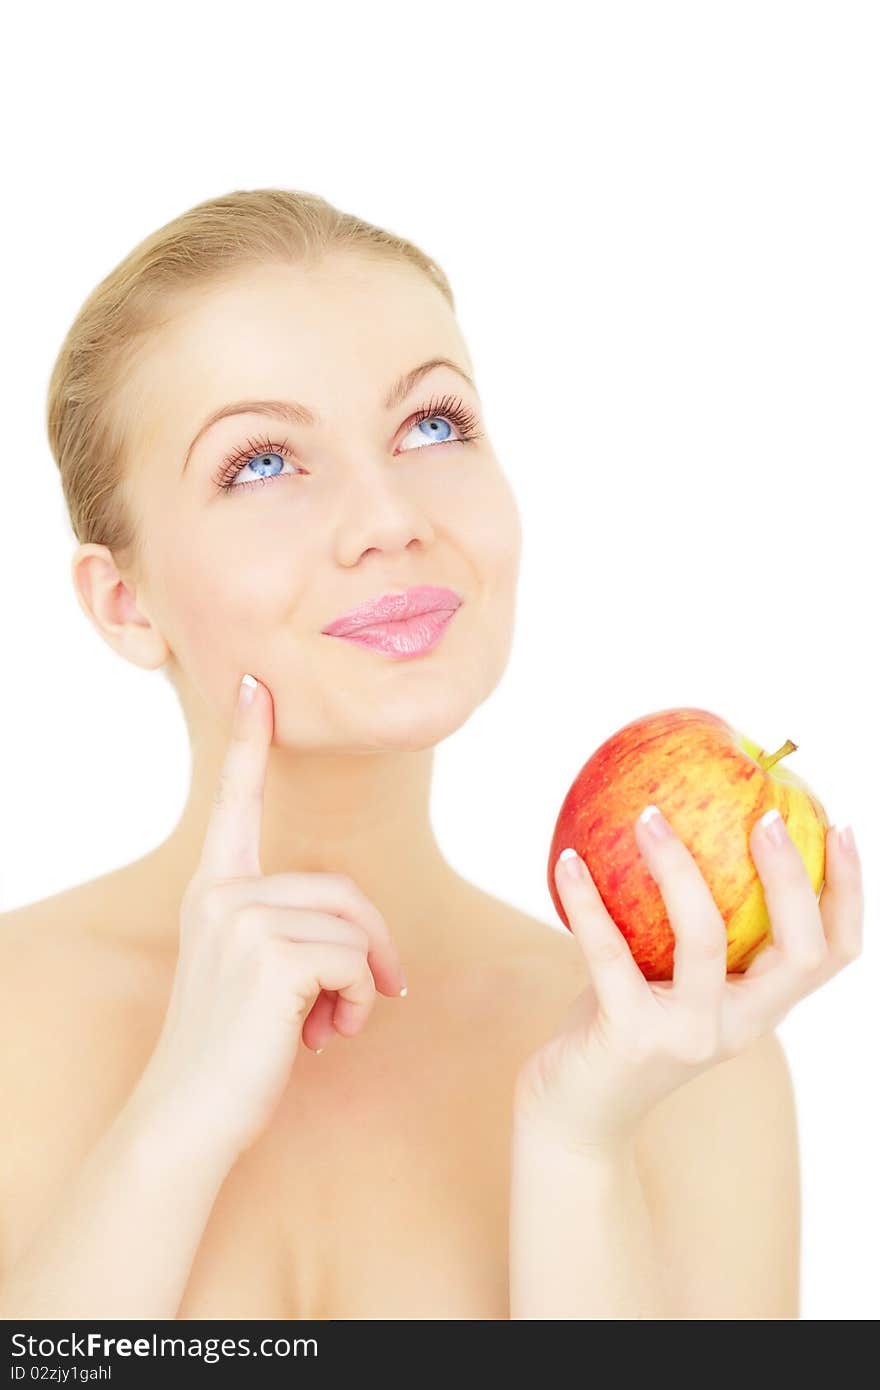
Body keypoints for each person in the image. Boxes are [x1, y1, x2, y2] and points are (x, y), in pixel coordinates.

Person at [0, 188, 863, 1321]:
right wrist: (176, 1120)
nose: (390, 514)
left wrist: (575, 1146)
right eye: (261, 461)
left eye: (431, 426)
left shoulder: (684, 1055)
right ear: (123, 603)